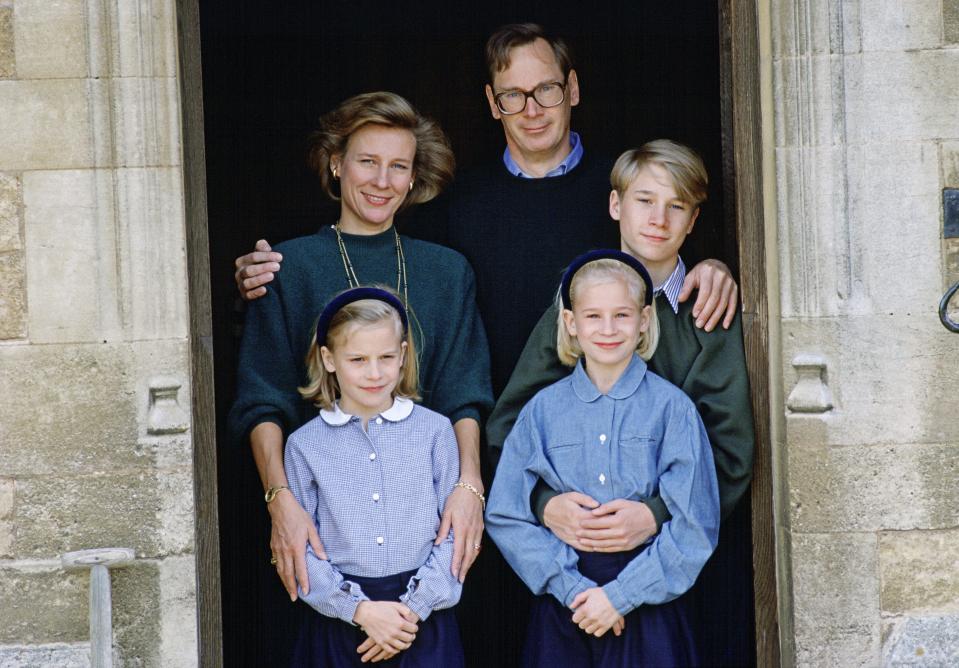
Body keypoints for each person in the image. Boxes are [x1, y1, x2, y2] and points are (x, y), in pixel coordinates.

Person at [227, 91, 492, 664]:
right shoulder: (289, 266)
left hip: (421, 545)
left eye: (399, 165)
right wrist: (281, 502)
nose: (382, 179)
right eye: (367, 161)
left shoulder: (447, 271)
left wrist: (468, 488)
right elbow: (261, 400)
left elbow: (464, 394)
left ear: (415, 176)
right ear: (335, 162)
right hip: (325, 539)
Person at [486, 140, 756, 665]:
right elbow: (515, 425)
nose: (658, 219)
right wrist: (544, 505)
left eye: (675, 206)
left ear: (693, 220)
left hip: (678, 566)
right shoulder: (581, 302)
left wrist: (656, 517)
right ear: (616, 206)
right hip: (570, 566)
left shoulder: (708, 308)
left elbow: (731, 452)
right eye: (644, 201)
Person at [486, 250, 720, 667]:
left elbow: (694, 524)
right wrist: (571, 588)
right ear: (571, 324)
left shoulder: (673, 410)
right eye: (593, 316)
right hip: (566, 608)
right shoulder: (541, 411)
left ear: (644, 320)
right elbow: (505, 513)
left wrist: (621, 596)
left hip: (649, 604)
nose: (608, 329)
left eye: (622, 316)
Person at [286, 287, 465, 666]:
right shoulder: (304, 445)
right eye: (357, 359)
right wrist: (360, 611)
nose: (374, 372)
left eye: (386, 357)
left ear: (403, 355)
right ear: (329, 359)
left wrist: (411, 611)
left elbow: (453, 535)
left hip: (422, 620)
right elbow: (300, 546)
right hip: (341, 621)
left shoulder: (435, 431)